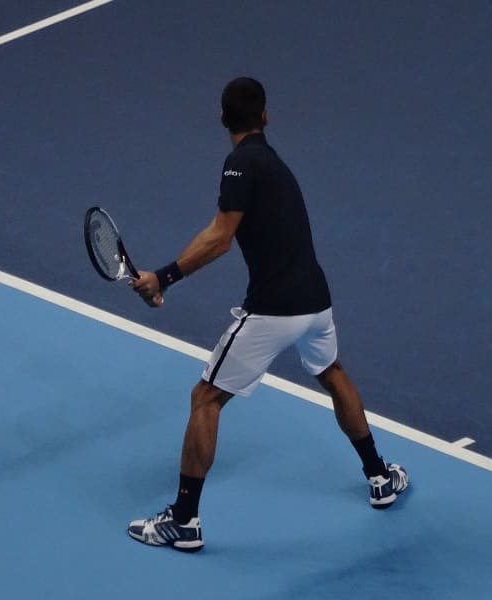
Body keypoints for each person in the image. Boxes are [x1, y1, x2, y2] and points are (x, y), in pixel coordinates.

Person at [126, 77, 408, 553]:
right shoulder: (273, 162)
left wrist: (165, 277)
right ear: (265, 117)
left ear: (221, 119)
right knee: (331, 372)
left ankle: (184, 519)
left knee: (205, 399)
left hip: (274, 309)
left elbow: (220, 236)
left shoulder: (239, 164)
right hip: (316, 302)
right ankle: (380, 476)